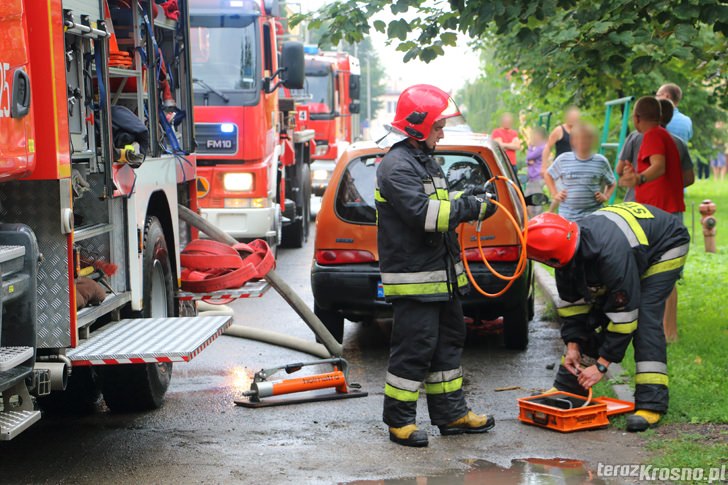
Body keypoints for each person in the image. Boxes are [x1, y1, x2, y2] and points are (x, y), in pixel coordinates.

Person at [375, 84, 497, 447]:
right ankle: (399, 422)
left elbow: (440, 202)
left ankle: (452, 414)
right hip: (415, 280)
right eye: (438, 127)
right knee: (415, 349)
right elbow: (425, 215)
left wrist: (469, 198)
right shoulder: (396, 165)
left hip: (440, 277)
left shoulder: (424, 161)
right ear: (417, 126)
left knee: (448, 344)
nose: (442, 134)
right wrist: (469, 209)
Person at [527, 205, 690, 432]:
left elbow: (625, 317)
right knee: (594, 314)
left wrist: (602, 366)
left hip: (665, 244)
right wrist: (572, 345)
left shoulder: (610, 256)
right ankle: (569, 387)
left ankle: (652, 404)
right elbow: (573, 307)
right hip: (632, 247)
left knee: (644, 318)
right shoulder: (565, 248)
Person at [618, 98, 695, 203]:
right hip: (669, 204)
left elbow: (658, 166)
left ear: (637, 118)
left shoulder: (643, 136)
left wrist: (638, 179)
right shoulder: (678, 142)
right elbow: (689, 178)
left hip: (640, 205)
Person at [544, 123, 616, 222]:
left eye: (586, 138)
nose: (582, 142)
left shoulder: (601, 161)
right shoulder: (563, 159)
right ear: (572, 141)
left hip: (593, 216)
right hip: (567, 216)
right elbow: (548, 175)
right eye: (577, 138)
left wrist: (606, 196)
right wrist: (554, 193)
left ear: (592, 140)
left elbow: (612, 183)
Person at [541, 106, 580, 177]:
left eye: (575, 118)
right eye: (572, 117)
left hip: (575, 167)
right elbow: (548, 147)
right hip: (560, 167)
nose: (573, 119)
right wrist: (543, 167)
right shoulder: (559, 130)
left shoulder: (579, 131)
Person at [525, 126, 547, 217]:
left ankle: (536, 220)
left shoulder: (542, 147)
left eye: (535, 135)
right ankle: (531, 220)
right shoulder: (538, 147)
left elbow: (529, 157)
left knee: (536, 204)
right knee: (526, 201)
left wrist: (530, 147)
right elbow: (528, 160)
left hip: (537, 178)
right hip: (532, 178)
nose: (534, 137)